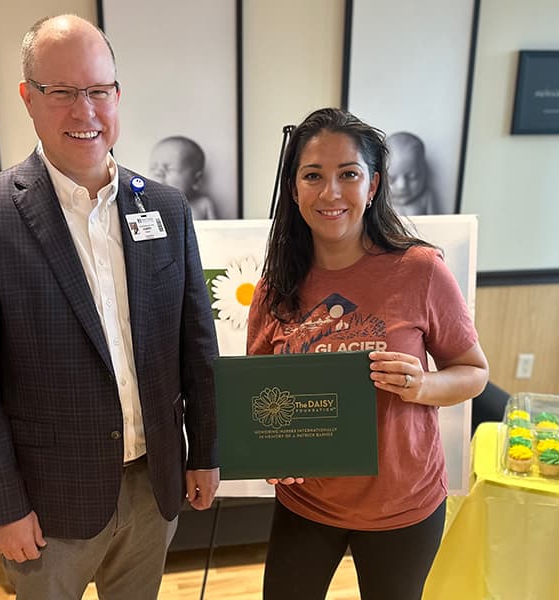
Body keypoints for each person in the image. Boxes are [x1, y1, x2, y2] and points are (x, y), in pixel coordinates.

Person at [0, 14, 220, 600]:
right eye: (60, 92)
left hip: (155, 484)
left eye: (96, 91)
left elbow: (196, 344)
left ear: (117, 95)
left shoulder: (165, 206)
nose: (83, 111)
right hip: (46, 503)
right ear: (28, 99)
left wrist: (206, 451)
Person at [247, 108, 489, 600]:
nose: (330, 193)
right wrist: (270, 447)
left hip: (403, 504)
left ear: (373, 185)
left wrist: (424, 385)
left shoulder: (420, 270)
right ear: (293, 189)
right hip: (305, 502)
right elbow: (258, 392)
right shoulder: (276, 285)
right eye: (313, 176)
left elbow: (474, 373)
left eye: (348, 175)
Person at [148, 135, 217, 220]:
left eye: (169, 168)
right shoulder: (150, 205)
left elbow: (218, 230)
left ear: (196, 180)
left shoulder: (203, 204)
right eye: (153, 168)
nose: (158, 173)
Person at [385, 131, 434, 216]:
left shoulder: (425, 198)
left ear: (424, 171)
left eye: (412, 177)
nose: (402, 186)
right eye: (391, 179)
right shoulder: (381, 200)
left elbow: (438, 223)